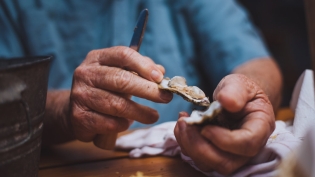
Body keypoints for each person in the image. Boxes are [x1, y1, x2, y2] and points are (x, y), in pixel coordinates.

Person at [0, 0, 282, 175]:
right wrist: (63, 111)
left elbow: (254, 60)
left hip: (180, 161)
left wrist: (250, 90)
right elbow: (5, 108)